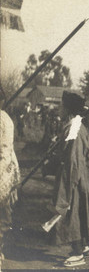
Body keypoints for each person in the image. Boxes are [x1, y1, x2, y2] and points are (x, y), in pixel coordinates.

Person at [51, 91, 89, 267]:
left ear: (68, 108)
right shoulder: (74, 125)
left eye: (61, 105)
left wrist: (69, 186)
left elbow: (74, 158)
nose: (59, 109)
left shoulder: (75, 129)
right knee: (80, 211)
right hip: (77, 175)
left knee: (72, 212)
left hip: (73, 177)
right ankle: (85, 246)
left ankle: (77, 252)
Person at [0, 108, 21, 270]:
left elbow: (5, 153)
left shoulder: (2, 119)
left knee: (2, 216)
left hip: (3, 176)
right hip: (6, 173)